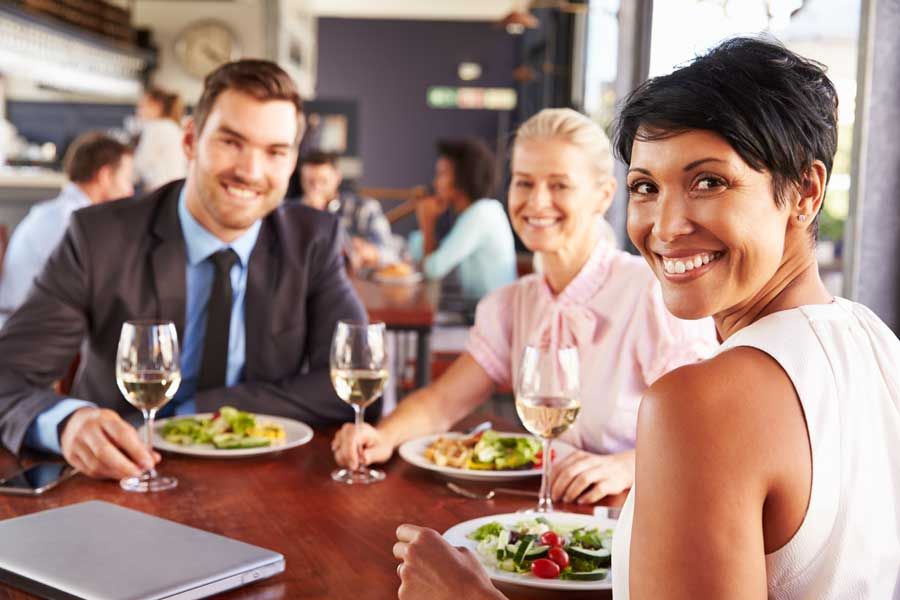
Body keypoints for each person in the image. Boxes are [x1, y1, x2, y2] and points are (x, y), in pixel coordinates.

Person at [392, 38, 900, 600]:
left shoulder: (699, 403)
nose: (666, 225)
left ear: (805, 192)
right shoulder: (878, 343)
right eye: (646, 187)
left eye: (709, 181)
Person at [0, 59, 370, 480]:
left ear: (291, 164)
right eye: (231, 142)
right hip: (121, 476)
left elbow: (351, 384)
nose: (250, 171)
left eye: (275, 152)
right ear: (191, 139)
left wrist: (203, 411)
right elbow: (7, 376)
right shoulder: (100, 236)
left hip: (266, 477)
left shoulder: (313, 240)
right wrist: (67, 423)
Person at [333, 108, 716, 503]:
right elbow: (443, 402)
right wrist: (381, 436)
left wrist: (625, 466)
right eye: (524, 182)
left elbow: (708, 433)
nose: (537, 201)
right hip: (555, 513)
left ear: (603, 196)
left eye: (559, 185)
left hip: (646, 515)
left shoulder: (653, 293)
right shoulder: (511, 304)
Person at [0, 132, 134, 322]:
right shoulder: (72, 222)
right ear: (105, 176)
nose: (130, 191)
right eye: (126, 179)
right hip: (28, 332)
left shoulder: (57, 212)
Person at [408, 138, 516, 301]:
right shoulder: (472, 213)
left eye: (442, 174)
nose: (435, 183)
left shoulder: (482, 213)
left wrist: (427, 223)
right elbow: (417, 254)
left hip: (492, 320)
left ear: (463, 178)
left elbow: (433, 269)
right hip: (479, 315)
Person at [299, 150, 398, 268]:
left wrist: (369, 252)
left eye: (323, 181)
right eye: (310, 182)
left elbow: (391, 253)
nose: (316, 188)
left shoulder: (364, 207)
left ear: (337, 177)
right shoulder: (291, 212)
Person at [132, 86, 188, 191]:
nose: (138, 112)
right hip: (176, 190)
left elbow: (140, 164)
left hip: (160, 190)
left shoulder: (155, 128)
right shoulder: (173, 127)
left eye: (142, 107)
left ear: (156, 106)